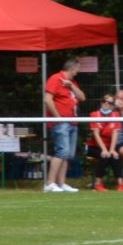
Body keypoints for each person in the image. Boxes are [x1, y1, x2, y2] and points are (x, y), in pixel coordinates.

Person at [42, 58, 85, 192]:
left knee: (67, 154)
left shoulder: (72, 83)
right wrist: (58, 117)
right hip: (61, 122)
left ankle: (61, 183)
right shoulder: (55, 78)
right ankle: (50, 183)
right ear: (72, 68)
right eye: (77, 69)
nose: (78, 72)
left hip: (72, 122)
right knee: (62, 151)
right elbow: (47, 99)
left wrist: (71, 86)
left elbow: (82, 97)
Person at [86, 95, 121, 191]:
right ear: (101, 102)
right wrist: (104, 150)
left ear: (112, 105)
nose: (106, 103)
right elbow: (96, 135)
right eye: (104, 101)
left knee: (114, 155)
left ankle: (120, 183)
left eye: (109, 102)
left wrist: (112, 150)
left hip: (109, 146)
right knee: (104, 156)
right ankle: (97, 184)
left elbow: (115, 134)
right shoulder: (94, 114)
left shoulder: (116, 115)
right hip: (94, 146)